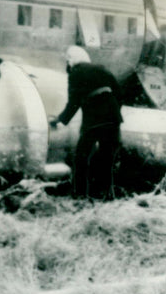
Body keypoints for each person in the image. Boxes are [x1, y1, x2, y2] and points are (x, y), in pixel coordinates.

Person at [50, 46, 123, 200]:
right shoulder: (102, 69)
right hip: (113, 118)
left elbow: (74, 102)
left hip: (94, 120)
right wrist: (113, 111)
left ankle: (79, 195)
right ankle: (107, 196)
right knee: (107, 159)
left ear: (71, 61)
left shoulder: (76, 72)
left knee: (81, 158)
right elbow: (119, 93)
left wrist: (60, 120)